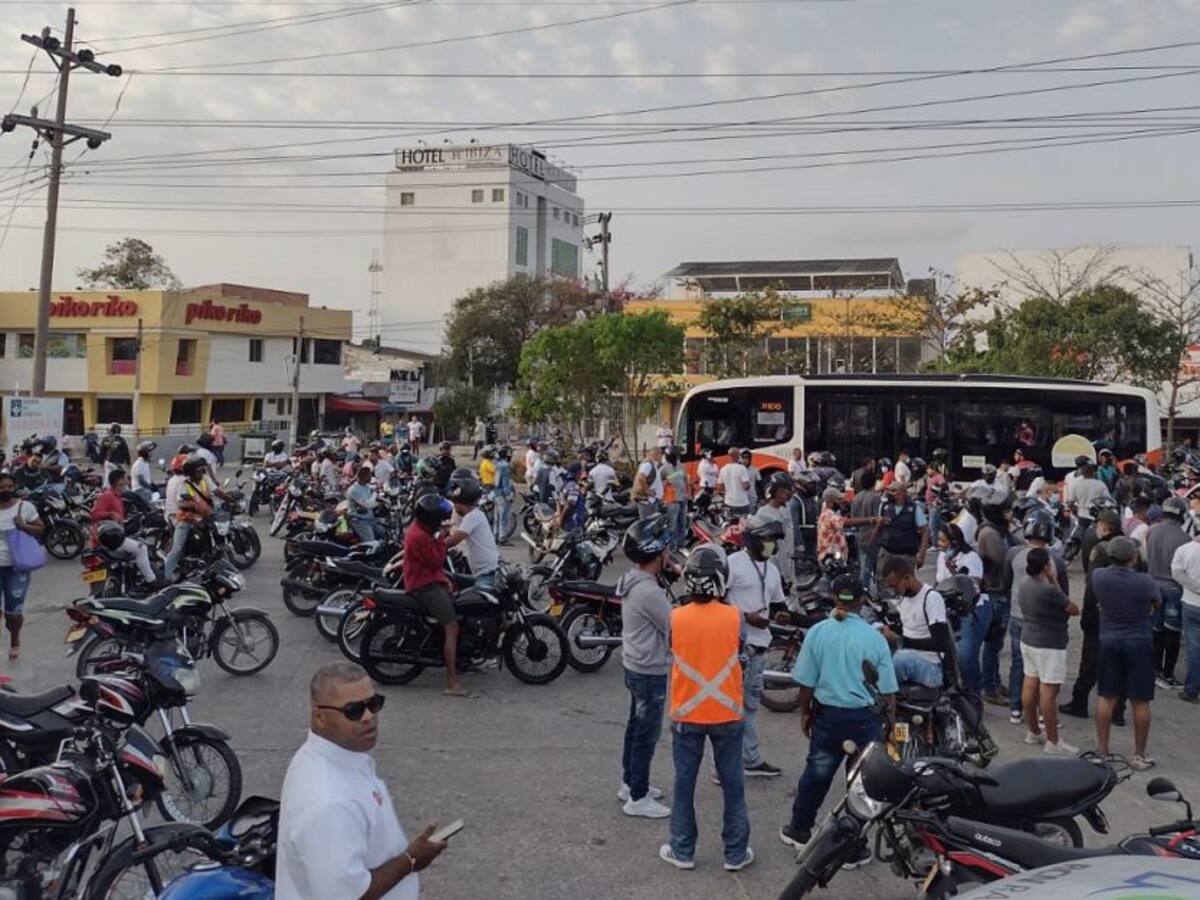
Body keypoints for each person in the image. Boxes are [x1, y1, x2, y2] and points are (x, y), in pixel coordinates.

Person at [276, 662, 447, 899]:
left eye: (373, 704)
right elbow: (348, 896)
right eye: (353, 711)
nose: (368, 717)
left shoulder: (331, 757)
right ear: (319, 717)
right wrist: (411, 860)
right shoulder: (330, 802)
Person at [780, 574, 897, 859]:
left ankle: (799, 829)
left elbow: (806, 682)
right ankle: (853, 846)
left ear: (834, 598)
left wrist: (805, 712)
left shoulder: (818, 632)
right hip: (866, 720)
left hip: (828, 718)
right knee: (861, 784)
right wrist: (890, 725)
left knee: (817, 774)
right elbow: (889, 691)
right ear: (861, 601)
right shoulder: (875, 638)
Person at [659, 545, 753, 872]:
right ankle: (736, 853)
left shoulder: (675, 617)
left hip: (687, 714)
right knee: (733, 784)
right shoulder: (734, 616)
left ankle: (683, 850)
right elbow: (741, 650)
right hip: (727, 713)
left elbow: (672, 647)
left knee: (684, 784)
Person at [616, 516, 674, 819]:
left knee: (635, 728)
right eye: (666, 550)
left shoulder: (635, 579)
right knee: (646, 733)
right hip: (649, 670)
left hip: (635, 664)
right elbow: (674, 628)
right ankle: (637, 798)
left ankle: (630, 782)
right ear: (656, 554)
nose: (670, 555)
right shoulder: (649, 592)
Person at [726, 517, 786, 779]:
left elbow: (780, 605)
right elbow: (714, 603)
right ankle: (725, 764)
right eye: (768, 540)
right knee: (731, 708)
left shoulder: (771, 570)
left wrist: (785, 617)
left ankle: (749, 759)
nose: (772, 546)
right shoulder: (732, 564)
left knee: (750, 706)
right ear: (752, 540)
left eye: (773, 541)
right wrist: (744, 617)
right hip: (736, 648)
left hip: (760, 647)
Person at [1092, 536, 1158, 769]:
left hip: (1109, 639)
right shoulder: (1145, 581)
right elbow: (1155, 603)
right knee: (1140, 700)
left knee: (1106, 696)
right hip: (1138, 641)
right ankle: (1138, 755)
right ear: (1133, 557)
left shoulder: (1099, 576)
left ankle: (1102, 751)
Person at [1061, 511, 1125, 722]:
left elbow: (1092, 586)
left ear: (1105, 527)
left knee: (1090, 660)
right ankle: (1117, 711)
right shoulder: (1130, 546)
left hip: (1100, 615)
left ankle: (1079, 702)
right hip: (1123, 617)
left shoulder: (1101, 549)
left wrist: (1087, 616)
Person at [1018, 546, 1081, 755]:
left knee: (1029, 686)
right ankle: (1053, 741)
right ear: (1046, 566)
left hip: (1028, 638)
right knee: (1048, 692)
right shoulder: (1049, 590)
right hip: (1049, 644)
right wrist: (1054, 581)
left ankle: (1033, 731)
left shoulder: (1025, 584)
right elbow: (1073, 609)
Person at [404, 494, 469, 697]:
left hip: (428, 580)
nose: (443, 522)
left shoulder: (420, 530)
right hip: (422, 586)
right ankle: (451, 682)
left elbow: (431, 567)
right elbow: (436, 561)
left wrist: (443, 579)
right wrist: (442, 538)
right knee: (452, 626)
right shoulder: (421, 536)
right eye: (440, 519)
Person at [937, 522, 991, 710]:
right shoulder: (942, 557)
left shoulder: (971, 557)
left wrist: (954, 571)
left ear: (955, 542)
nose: (940, 544)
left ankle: (974, 698)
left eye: (943, 540)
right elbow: (940, 582)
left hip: (972, 609)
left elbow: (973, 585)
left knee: (967, 655)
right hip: (950, 610)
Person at [880, 556, 955, 689]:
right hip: (908, 653)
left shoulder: (931, 598)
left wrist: (900, 641)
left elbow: (941, 643)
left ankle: (885, 697)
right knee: (874, 631)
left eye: (894, 586)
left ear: (907, 577)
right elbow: (911, 628)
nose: (893, 591)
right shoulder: (904, 598)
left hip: (931, 666)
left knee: (901, 660)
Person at [1145, 496, 1189, 691]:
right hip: (1173, 588)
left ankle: (1154, 669)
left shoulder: (1151, 532)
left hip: (1153, 585)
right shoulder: (1183, 538)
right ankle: (1168, 674)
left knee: (1156, 629)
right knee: (1172, 630)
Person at [977, 489, 1014, 708]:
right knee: (992, 644)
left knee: (996, 644)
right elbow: (1005, 559)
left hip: (1001, 591)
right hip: (995, 593)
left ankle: (994, 681)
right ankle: (989, 688)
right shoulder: (990, 534)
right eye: (1006, 510)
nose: (1010, 513)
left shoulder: (999, 530)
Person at [0, 472, 42, 660]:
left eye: (9, 486)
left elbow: (40, 528)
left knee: (13, 614)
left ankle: (15, 638)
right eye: (2, 487)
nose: (6, 490)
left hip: (17, 568)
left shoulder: (25, 507)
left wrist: (24, 526)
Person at [90, 468, 158, 585]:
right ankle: (152, 581)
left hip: (114, 537)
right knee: (141, 549)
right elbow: (94, 514)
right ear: (119, 481)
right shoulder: (107, 496)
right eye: (126, 477)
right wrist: (110, 514)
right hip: (109, 540)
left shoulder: (117, 496)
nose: (128, 480)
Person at [164, 456, 214, 582]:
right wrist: (195, 507)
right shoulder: (183, 485)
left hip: (203, 519)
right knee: (177, 548)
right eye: (199, 471)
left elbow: (209, 498)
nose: (202, 473)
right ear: (191, 472)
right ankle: (164, 577)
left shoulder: (203, 483)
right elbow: (181, 503)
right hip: (186, 520)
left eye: (203, 470)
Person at [445, 476, 499, 592]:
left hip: (486, 574)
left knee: (475, 605)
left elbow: (453, 541)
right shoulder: (476, 514)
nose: (454, 507)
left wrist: (431, 546)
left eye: (455, 503)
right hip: (483, 571)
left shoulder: (472, 517)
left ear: (461, 503)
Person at [876, 481, 929, 577]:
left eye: (892, 491)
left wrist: (921, 555)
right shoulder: (884, 507)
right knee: (883, 585)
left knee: (905, 587)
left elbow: (925, 531)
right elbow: (878, 528)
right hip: (887, 554)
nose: (889, 494)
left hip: (906, 556)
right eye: (888, 491)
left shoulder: (914, 508)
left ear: (901, 494)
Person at [1171, 531, 1200, 705]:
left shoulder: (1184, 549)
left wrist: (1195, 587)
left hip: (1191, 603)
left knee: (1194, 649)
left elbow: (1177, 573)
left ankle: (1191, 690)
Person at [755, 473, 796, 582]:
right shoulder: (764, 514)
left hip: (787, 557)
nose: (787, 495)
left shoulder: (785, 509)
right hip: (774, 560)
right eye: (783, 492)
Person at [816, 488, 877, 561]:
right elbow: (847, 522)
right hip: (830, 558)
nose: (841, 502)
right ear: (830, 501)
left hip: (835, 557)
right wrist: (870, 520)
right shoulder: (827, 516)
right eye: (838, 499)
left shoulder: (831, 514)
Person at [851, 471, 883, 590]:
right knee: (874, 566)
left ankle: (864, 590)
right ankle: (872, 591)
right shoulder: (875, 497)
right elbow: (878, 519)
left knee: (864, 565)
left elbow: (853, 519)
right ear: (874, 483)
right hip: (873, 535)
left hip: (860, 535)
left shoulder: (856, 498)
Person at [659, 446, 689, 549]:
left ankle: (681, 545)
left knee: (682, 523)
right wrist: (665, 483)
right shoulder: (663, 469)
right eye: (676, 456)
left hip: (683, 498)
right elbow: (659, 484)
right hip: (672, 500)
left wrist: (688, 494)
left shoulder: (682, 466)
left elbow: (685, 480)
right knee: (672, 525)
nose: (677, 458)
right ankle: (672, 546)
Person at [347, 466, 385, 544]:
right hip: (360, 521)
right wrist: (375, 495)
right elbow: (367, 505)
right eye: (369, 475)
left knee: (384, 534)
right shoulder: (353, 490)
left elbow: (375, 495)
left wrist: (385, 501)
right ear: (363, 476)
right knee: (372, 544)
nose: (371, 477)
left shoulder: (366, 486)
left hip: (370, 519)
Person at [716, 450, 752, 516]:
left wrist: (728, 489)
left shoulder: (723, 469)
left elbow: (719, 488)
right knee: (743, 525)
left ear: (728, 456)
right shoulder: (742, 468)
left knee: (730, 524)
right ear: (739, 457)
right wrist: (749, 485)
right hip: (742, 504)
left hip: (728, 503)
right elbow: (746, 487)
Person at [631, 447, 664, 517]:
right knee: (647, 522)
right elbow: (641, 477)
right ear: (656, 454)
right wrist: (647, 490)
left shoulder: (653, 464)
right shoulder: (648, 464)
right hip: (646, 500)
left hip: (652, 500)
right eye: (661, 453)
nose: (662, 456)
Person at [491, 446, 514, 544]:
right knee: (504, 517)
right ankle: (502, 537)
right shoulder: (505, 466)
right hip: (502, 494)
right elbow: (505, 483)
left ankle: (495, 535)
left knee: (497, 517)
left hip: (495, 493)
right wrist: (509, 495)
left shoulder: (496, 464)